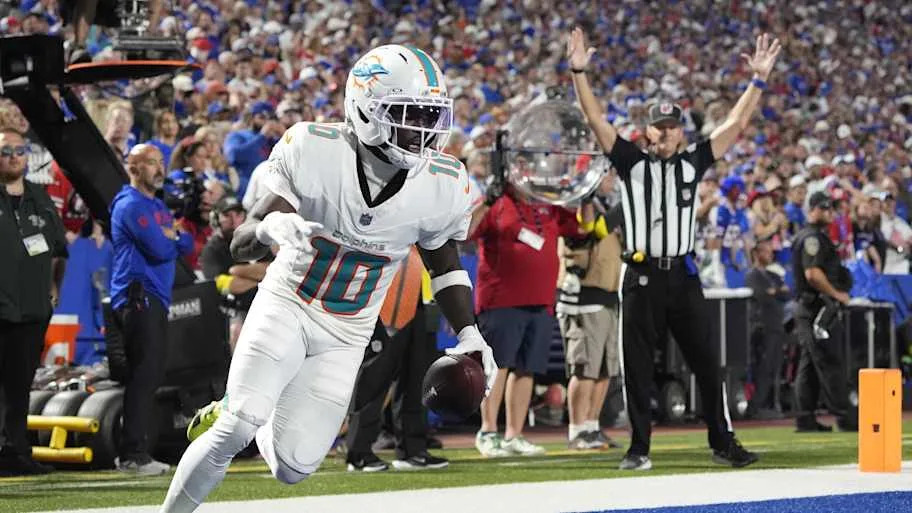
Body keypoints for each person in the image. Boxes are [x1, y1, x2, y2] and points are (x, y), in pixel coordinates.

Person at [159, 44, 497, 513]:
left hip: (347, 331)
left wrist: (468, 331)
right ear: (364, 109)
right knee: (236, 425)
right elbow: (240, 243)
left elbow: (444, 263)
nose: (422, 131)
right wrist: (269, 228)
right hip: (289, 303)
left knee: (293, 467)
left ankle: (253, 405)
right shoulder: (314, 148)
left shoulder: (442, 182)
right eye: (408, 115)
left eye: (429, 117)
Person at [567, 27, 779, 470]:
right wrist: (579, 72)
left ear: (681, 132)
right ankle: (639, 448)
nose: (666, 133)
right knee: (639, 366)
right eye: (659, 127)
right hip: (642, 275)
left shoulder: (693, 161)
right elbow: (595, 120)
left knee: (707, 362)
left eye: (672, 126)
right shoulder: (631, 162)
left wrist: (757, 81)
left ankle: (723, 442)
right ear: (646, 132)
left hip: (683, 276)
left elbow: (735, 125)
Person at [470, 179, 580, 458]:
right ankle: (488, 430)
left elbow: (582, 226)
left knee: (526, 369)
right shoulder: (498, 203)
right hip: (501, 299)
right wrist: (487, 202)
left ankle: (514, 434)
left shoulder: (547, 205)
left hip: (540, 301)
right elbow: (466, 231)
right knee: (498, 367)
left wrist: (579, 191)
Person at [108, 144, 194, 474]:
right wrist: (170, 236)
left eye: (161, 162)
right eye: (151, 163)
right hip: (138, 297)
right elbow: (161, 249)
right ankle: (132, 454)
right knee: (144, 376)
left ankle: (135, 450)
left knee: (150, 375)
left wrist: (171, 235)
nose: (160, 169)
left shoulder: (157, 204)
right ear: (133, 167)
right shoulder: (130, 205)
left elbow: (184, 243)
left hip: (153, 297)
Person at [0, 129, 67, 476]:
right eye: (5, 151)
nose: (13, 156)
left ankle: (16, 454)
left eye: (19, 150)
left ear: (27, 156)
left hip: (32, 311)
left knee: (20, 385)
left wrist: (54, 289)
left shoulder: (41, 198)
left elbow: (59, 251)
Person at [346, 248, 447, 471]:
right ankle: (359, 451)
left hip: (424, 299)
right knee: (375, 375)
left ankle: (413, 449)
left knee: (418, 377)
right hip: (387, 298)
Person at [557, 173, 622, 450]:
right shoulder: (578, 204)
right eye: (607, 174)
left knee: (604, 369)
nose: (612, 179)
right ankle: (577, 429)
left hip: (607, 296)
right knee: (584, 369)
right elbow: (585, 231)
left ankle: (592, 426)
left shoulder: (601, 205)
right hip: (584, 298)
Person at [791, 192, 857, 433]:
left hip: (811, 308)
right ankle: (845, 416)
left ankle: (805, 418)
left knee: (809, 365)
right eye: (824, 208)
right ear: (812, 210)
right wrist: (837, 294)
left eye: (831, 209)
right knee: (830, 362)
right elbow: (813, 274)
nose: (830, 212)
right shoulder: (812, 239)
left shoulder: (815, 237)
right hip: (817, 308)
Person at [199, 196, 266, 352]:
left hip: (264, 302)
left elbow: (271, 268)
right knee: (236, 330)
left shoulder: (257, 241)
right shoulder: (212, 249)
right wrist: (261, 279)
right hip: (232, 310)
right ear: (216, 220)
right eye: (227, 216)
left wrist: (237, 271)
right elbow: (224, 284)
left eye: (238, 214)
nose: (234, 220)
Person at [745, 239, 788, 419]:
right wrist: (776, 292)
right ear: (757, 254)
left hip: (776, 325)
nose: (770, 255)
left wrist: (775, 291)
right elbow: (761, 295)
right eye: (766, 251)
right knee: (763, 367)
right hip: (763, 326)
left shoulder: (772, 276)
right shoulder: (753, 276)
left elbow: (787, 292)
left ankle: (770, 403)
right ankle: (756, 405)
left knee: (774, 367)